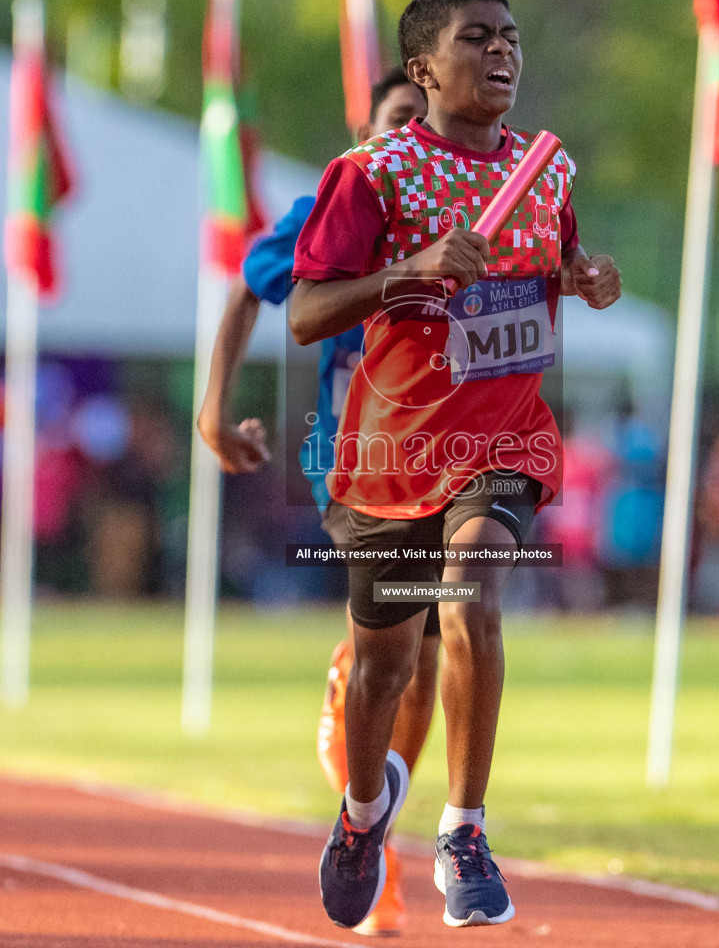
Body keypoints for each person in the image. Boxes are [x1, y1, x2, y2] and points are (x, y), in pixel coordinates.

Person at [288, 0, 621, 930]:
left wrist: (585, 277)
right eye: (478, 39)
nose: (504, 53)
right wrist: (411, 272)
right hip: (393, 453)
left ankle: (465, 830)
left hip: (502, 438)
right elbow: (308, 312)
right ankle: (361, 817)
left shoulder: (546, 167)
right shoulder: (373, 174)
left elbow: (551, 261)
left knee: (474, 585)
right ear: (425, 65)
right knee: (382, 669)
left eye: (512, 38)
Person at [195, 66, 433, 936]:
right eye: (398, 118)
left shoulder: (464, 202)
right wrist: (213, 406)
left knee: (427, 666)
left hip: (449, 462)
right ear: (369, 130)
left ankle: (372, 824)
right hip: (361, 462)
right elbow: (249, 286)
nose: (412, 133)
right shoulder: (338, 206)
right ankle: (374, 832)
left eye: (424, 120)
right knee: (393, 657)